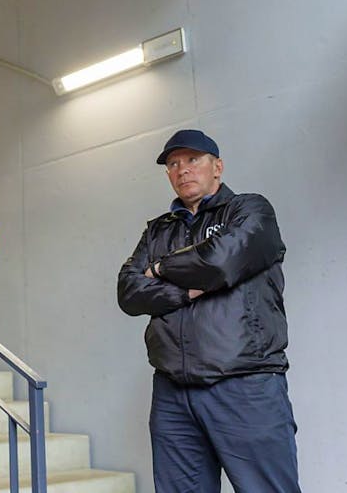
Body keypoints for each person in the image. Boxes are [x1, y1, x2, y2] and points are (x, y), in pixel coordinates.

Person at [117, 129, 300, 492]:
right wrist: (187, 291)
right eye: (173, 163)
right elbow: (129, 292)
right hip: (172, 393)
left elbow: (220, 262)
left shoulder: (250, 210)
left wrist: (161, 269)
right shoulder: (158, 230)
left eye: (193, 159)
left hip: (244, 384)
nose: (182, 169)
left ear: (217, 167)